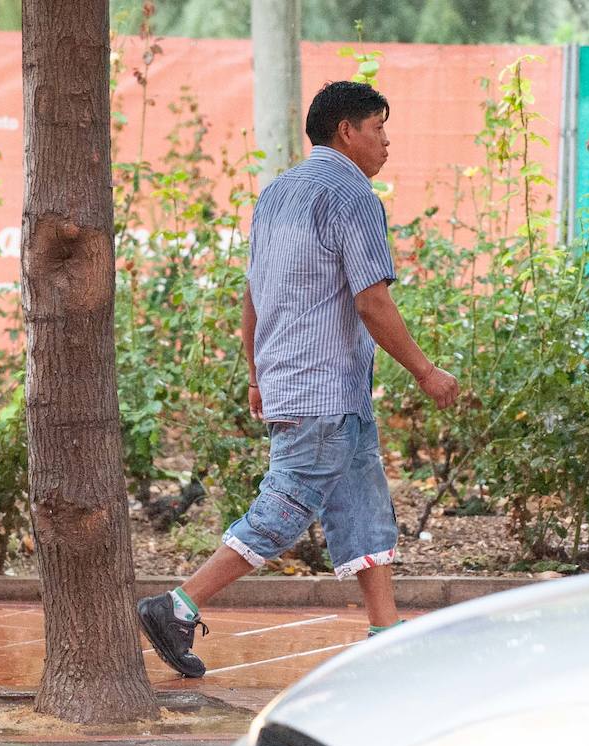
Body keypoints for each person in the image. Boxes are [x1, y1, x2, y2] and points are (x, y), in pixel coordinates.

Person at [137, 81, 459, 678]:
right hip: (324, 388)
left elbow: (253, 293)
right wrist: (425, 370)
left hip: (309, 383)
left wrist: (257, 376)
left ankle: (385, 629)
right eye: (378, 127)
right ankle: (176, 605)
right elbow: (372, 302)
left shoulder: (278, 194)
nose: (386, 141)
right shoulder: (352, 195)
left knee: (364, 504)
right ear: (346, 131)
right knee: (286, 506)